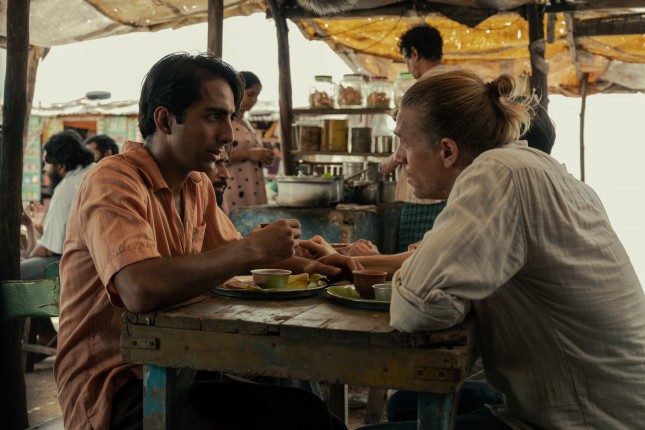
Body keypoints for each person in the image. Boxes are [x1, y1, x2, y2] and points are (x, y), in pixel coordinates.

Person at [54, 52, 358, 430]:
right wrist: (251, 249)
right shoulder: (113, 181)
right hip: (118, 389)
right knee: (300, 415)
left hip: (181, 366)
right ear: (165, 120)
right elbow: (138, 289)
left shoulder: (195, 185)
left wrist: (321, 266)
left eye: (230, 117)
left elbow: (236, 253)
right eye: (214, 116)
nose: (229, 134)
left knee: (304, 400)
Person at [349, 69, 645, 429]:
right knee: (405, 404)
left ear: (447, 150)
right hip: (608, 400)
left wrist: (428, 282)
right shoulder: (533, 166)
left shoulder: (498, 173)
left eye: (405, 144)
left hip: (587, 419)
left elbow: (419, 307)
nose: (398, 158)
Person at [382, 24, 456, 252]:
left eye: (406, 59)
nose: (409, 66)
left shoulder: (422, 89)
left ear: (414, 53)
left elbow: (408, 143)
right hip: (451, 185)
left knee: (414, 257)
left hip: (424, 190)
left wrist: (389, 164)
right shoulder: (457, 81)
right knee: (442, 252)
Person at [20, 129, 95, 280]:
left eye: (47, 164)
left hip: (79, 265)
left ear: (61, 167)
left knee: (14, 273)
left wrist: (27, 258)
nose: (45, 169)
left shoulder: (65, 189)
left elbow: (47, 250)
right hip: (95, 258)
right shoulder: (95, 169)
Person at [222, 70, 274, 214]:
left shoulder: (245, 122)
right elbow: (217, 158)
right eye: (250, 94)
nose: (254, 100)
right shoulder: (225, 121)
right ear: (236, 92)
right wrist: (249, 154)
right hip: (234, 188)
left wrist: (262, 156)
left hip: (253, 187)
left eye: (257, 95)